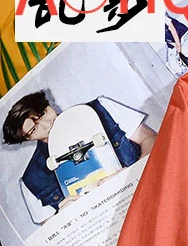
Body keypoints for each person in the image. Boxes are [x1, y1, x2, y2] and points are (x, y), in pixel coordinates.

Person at [2, 90, 157, 218]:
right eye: (34, 129)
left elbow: (150, 139)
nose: (47, 124)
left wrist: (133, 173)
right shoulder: (31, 181)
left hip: (150, 196)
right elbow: (51, 233)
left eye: (43, 114)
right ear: (27, 139)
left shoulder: (101, 109)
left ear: (48, 104)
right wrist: (64, 217)